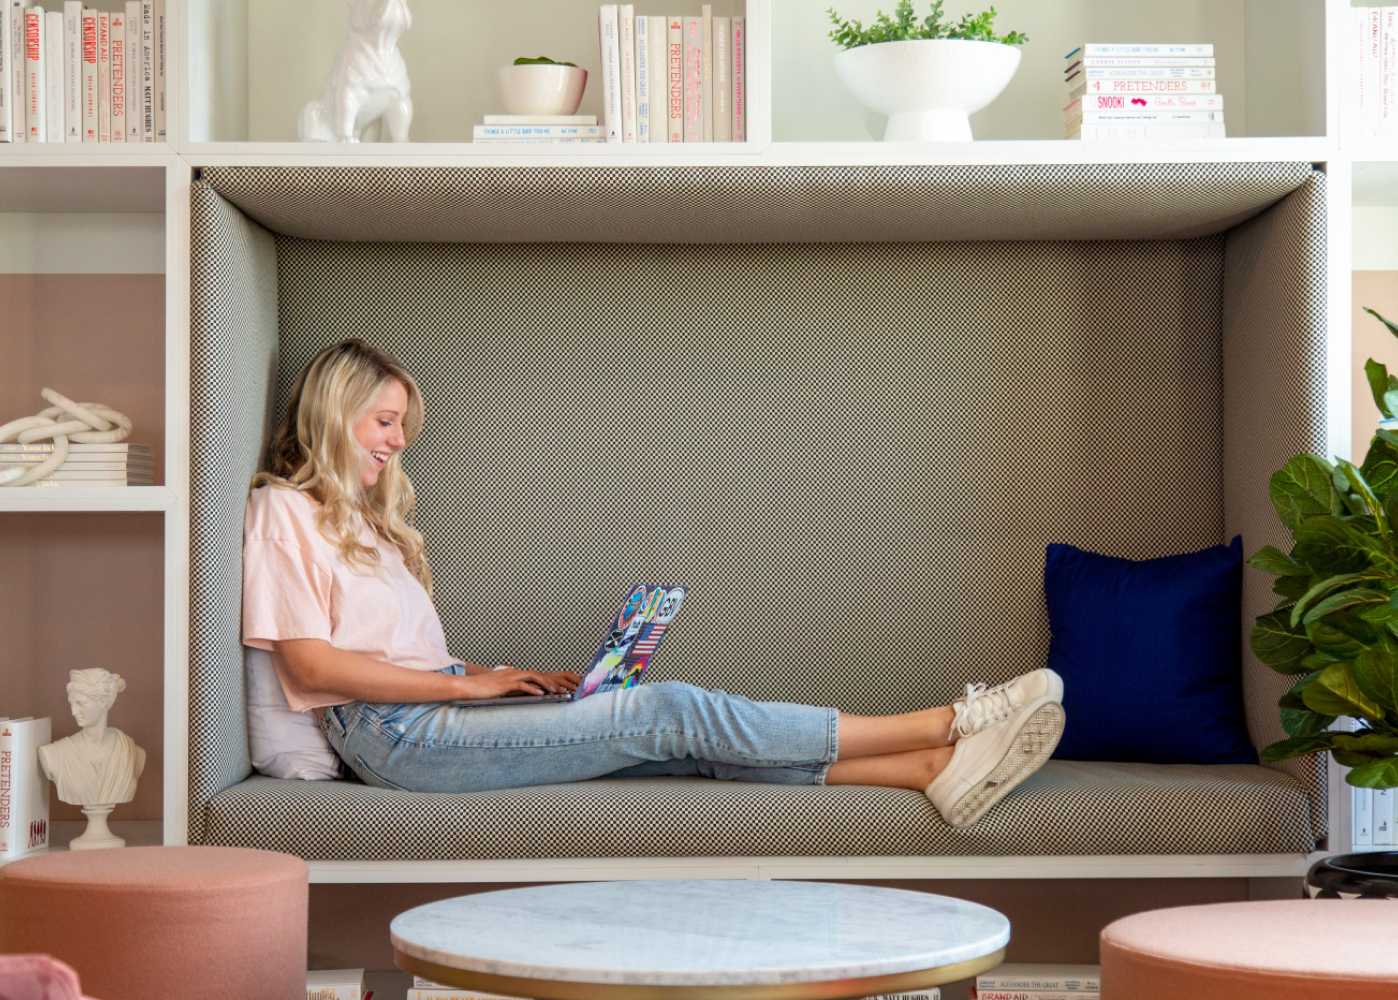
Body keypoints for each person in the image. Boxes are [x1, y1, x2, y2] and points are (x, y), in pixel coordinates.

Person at [241, 340, 1065, 828]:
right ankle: (955, 722)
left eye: (401, 429)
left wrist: (494, 685)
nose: (396, 443)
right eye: (385, 422)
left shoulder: (371, 530)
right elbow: (311, 670)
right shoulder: (282, 512)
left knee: (677, 743)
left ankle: (927, 772)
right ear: (332, 410)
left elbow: (391, 653)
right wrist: (472, 686)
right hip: (395, 740)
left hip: (431, 713)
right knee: (670, 710)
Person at [38, 669, 146, 807]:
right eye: (71, 704)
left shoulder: (133, 753)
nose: (73, 711)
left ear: (103, 702)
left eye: (80, 703)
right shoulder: (54, 754)